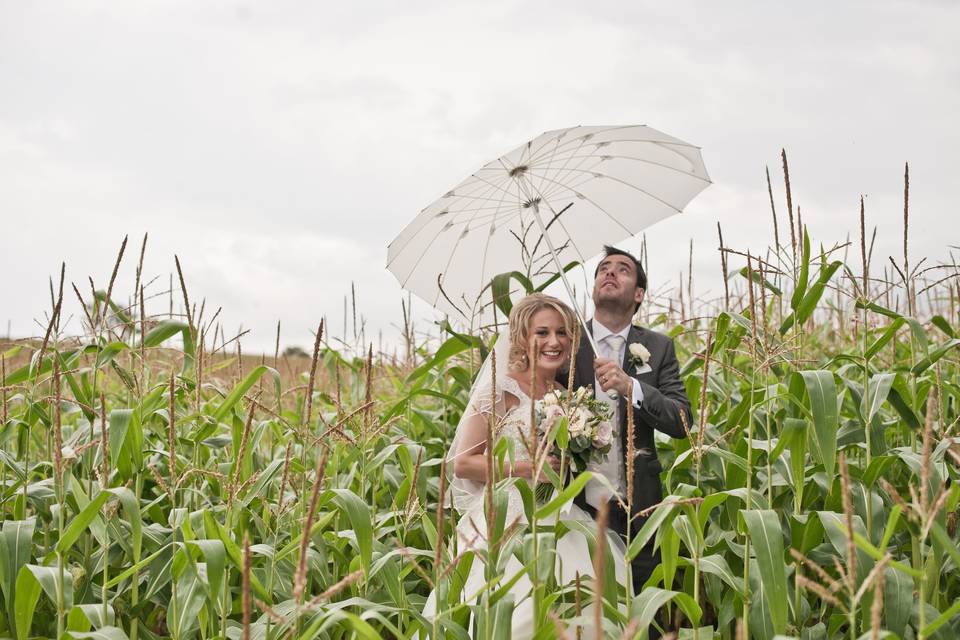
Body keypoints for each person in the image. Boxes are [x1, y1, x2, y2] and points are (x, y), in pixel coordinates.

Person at [422, 293, 626, 639]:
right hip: (505, 522)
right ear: (521, 338)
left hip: (560, 520)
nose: (553, 342)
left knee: (587, 604)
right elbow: (462, 463)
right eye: (542, 333)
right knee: (511, 615)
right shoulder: (500, 390)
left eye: (562, 333)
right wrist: (525, 467)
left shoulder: (566, 394)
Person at [568, 246, 692, 596]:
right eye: (603, 269)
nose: (609, 273)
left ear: (638, 294)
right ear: (593, 288)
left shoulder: (658, 346)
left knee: (642, 605)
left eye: (622, 270)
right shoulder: (567, 340)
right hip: (578, 506)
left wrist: (631, 386)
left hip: (640, 505)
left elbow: (682, 421)